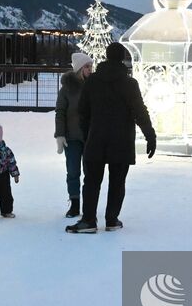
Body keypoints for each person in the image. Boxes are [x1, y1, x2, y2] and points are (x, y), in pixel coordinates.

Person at [66, 42, 156, 234]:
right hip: (121, 140)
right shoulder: (130, 84)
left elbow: (83, 111)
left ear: (106, 56)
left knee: (91, 181)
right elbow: (140, 112)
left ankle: (88, 220)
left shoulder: (92, 81)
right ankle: (112, 219)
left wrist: (88, 131)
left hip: (96, 138)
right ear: (123, 57)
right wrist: (150, 135)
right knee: (117, 182)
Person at [54, 53, 93, 218]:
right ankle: (75, 203)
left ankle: (89, 205)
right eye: (87, 67)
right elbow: (60, 112)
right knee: (73, 172)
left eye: (91, 66)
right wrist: (60, 135)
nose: (90, 70)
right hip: (72, 137)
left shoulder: (94, 86)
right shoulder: (67, 89)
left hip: (91, 137)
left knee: (90, 173)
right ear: (79, 68)